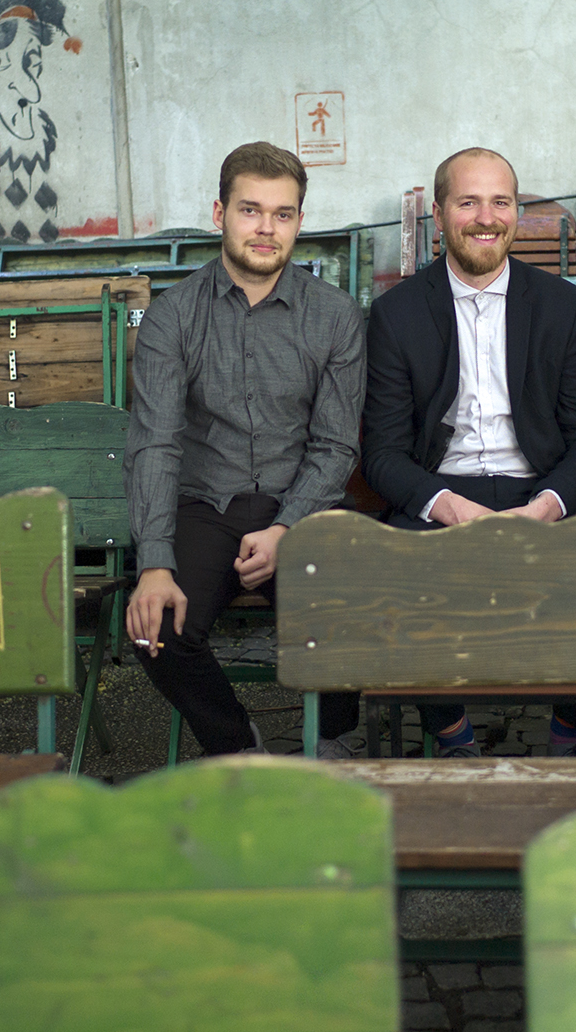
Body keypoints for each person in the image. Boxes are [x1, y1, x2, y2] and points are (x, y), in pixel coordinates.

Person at [363, 148, 576, 756]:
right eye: (468, 202)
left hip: (541, 487)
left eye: (500, 202)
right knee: (399, 579)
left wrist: (546, 508)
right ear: (439, 214)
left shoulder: (562, 305)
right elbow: (383, 453)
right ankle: (454, 738)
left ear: (516, 212)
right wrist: (451, 509)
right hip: (444, 491)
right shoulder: (396, 314)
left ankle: (569, 738)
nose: (486, 217)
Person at [123, 142, 366, 756]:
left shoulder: (336, 317)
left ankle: (331, 740)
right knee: (156, 628)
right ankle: (237, 748)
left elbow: (336, 445)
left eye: (282, 214)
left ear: (299, 222)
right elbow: (155, 443)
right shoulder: (172, 317)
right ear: (220, 214)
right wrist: (154, 564)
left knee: (351, 604)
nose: (265, 228)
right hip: (207, 504)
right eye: (250, 210)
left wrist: (287, 527)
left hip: (301, 504)